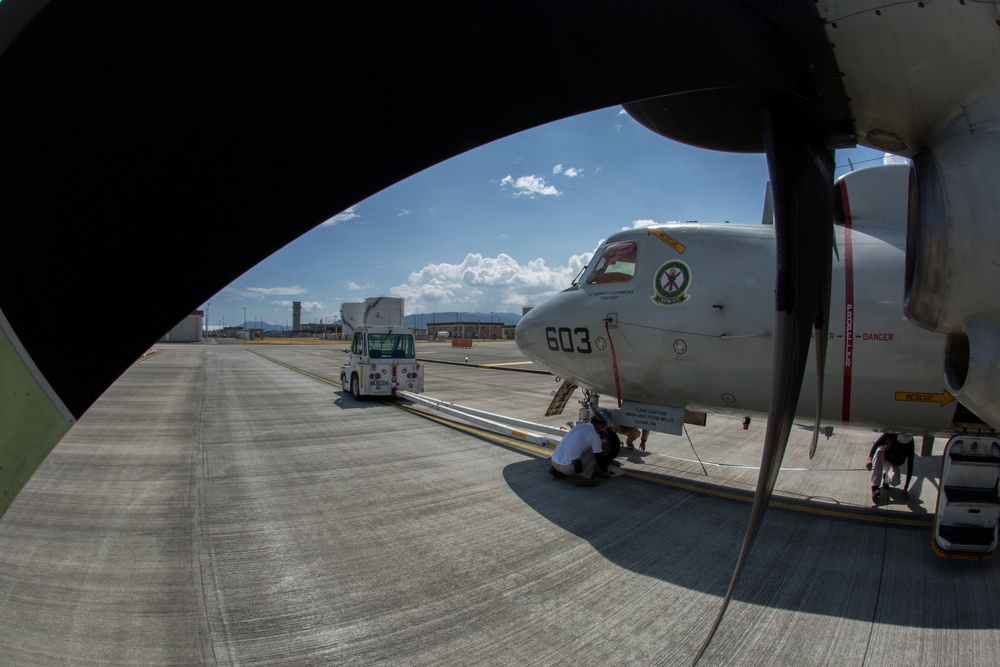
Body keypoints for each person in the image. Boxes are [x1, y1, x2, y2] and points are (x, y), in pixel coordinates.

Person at [548, 411, 609, 486]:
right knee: (595, 452)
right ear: (601, 424)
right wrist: (605, 470)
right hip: (567, 468)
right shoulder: (593, 434)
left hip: (554, 462)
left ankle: (557, 471)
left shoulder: (579, 426)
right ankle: (584, 477)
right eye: (603, 427)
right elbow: (599, 458)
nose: (601, 429)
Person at [866, 433, 915, 503]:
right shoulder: (892, 433)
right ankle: (875, 487)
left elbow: (910, 466)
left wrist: (906, 488)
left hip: (892, 463)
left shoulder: (910, 444)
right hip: (883, 456)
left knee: (895, 481)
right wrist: (869, 459)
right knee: (879, 451)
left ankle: (886, 478)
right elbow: (876, 444)